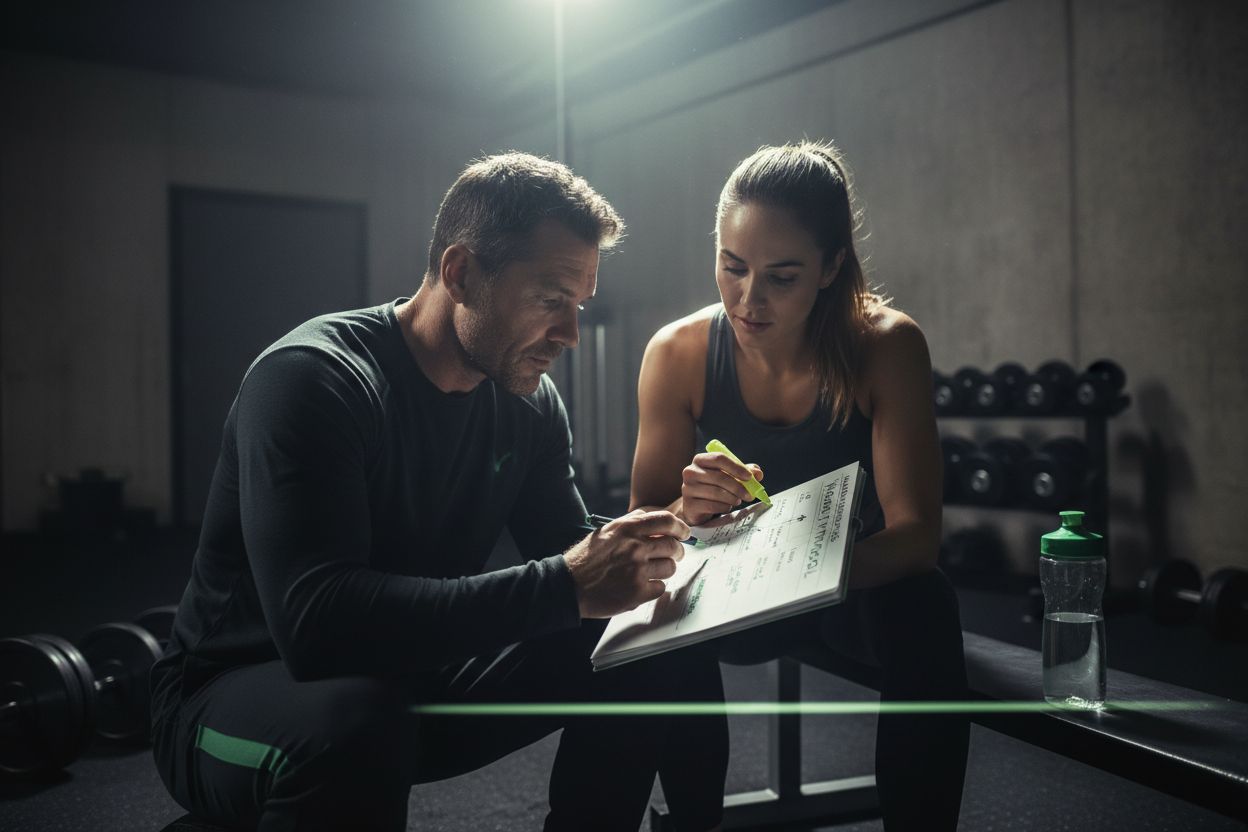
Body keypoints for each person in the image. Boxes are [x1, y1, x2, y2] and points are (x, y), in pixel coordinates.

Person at [151, 152, 728, 832]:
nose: (569, 335)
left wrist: (678, 528)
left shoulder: (528, 403)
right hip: (232, 699)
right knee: (356, 724)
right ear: (460, 273)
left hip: (408, 675)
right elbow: (317, 629)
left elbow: (574, 558)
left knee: (650, 627)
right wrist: (568, 583)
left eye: (577, 306)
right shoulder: (313, 382)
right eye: (549, 300)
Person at [629, 141, 969, 831]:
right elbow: (644, 525)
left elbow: (914, 537)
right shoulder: (679, 351)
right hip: (727, 588)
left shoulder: (887, 344)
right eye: (732, 266)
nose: (748, 299)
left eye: (781, 278)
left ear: (830, 266)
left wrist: (803, 573)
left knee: (926, 604)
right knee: (661, 613)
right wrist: (685, 511)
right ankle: (694, 822)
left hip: (840, 590)